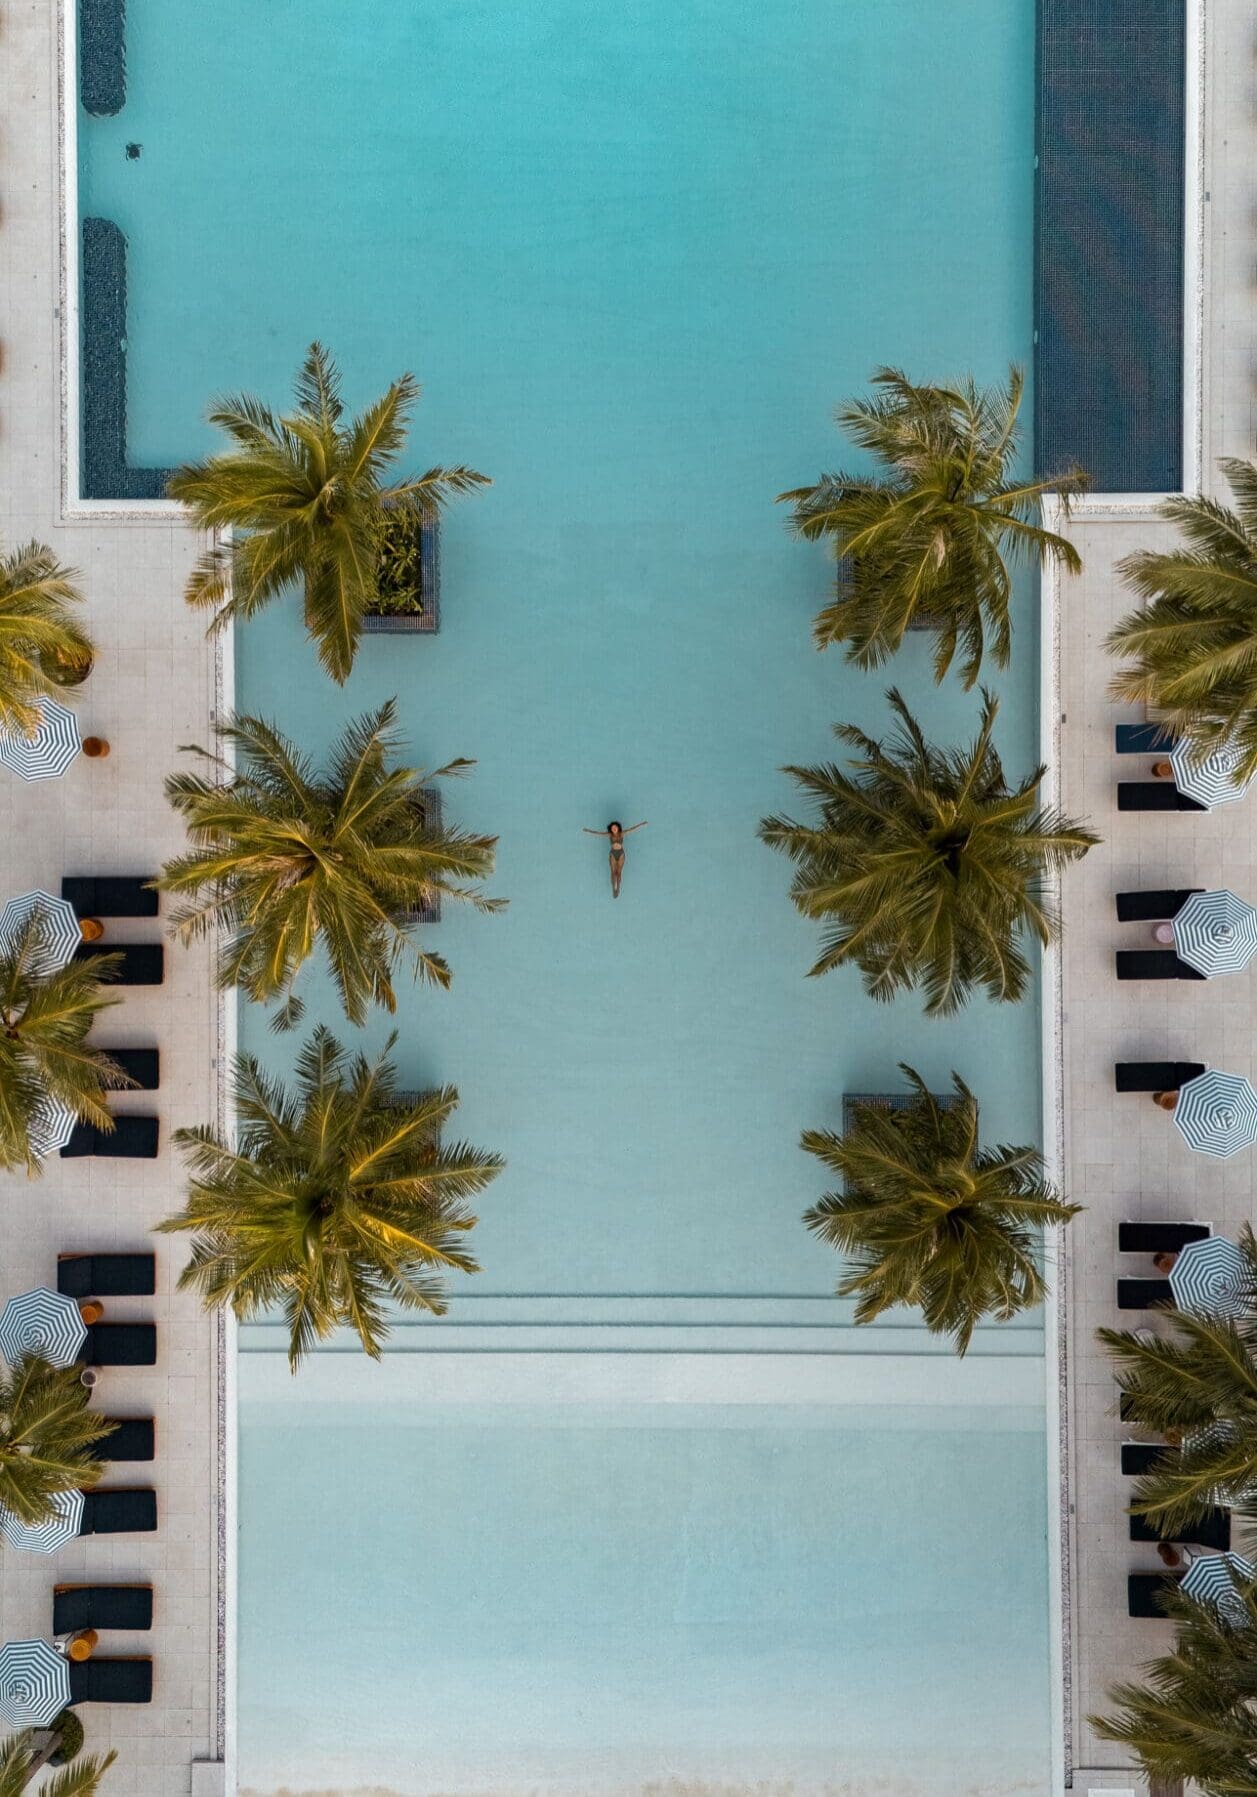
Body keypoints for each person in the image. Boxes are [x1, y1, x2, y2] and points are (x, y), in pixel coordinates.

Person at [582, 819, 646, 898]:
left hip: (621, 854)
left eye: (615, 827)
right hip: (613, 854)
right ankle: (613, 888)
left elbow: (632, 829)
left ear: (618, 828)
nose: (614, 829)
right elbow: (598, 834)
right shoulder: (610, 835)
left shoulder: (622, 833)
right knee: (613, 872)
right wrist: (588, 831)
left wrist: (641, 824)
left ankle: (618, 888)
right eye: (612, 828)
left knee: (618, 872)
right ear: (611, 830)